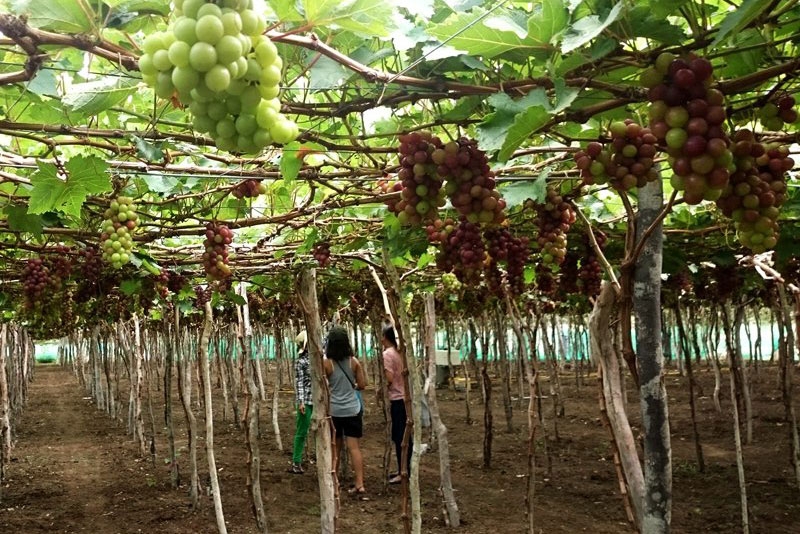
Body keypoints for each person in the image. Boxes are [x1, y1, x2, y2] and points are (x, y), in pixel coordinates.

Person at [323, 326, 367, 498]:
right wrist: (352, 386)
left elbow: (323, 386)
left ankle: (334, 483)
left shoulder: (327, 364)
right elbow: (362, 385)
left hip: (334, 410)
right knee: (354, 448)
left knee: (336, 447)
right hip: (352, 410)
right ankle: (360, 483)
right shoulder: (354, 362)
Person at [382, 325, 411, 485]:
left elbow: (389, 379)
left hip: (396, 399)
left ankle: (403, 472)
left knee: (400, 436)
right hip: (406, 398)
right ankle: (404, 469)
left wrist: (381, 388)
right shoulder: (402, 353)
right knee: (405, 436)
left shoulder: (387, 354)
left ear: (385, 337)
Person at [289, 330, 313, 474]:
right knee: (302, 432)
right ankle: (296, 462)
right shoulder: (301, 362)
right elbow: (299, 384)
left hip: (320, 401)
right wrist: (301, 402)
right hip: (307, 401)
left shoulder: (319, 359)